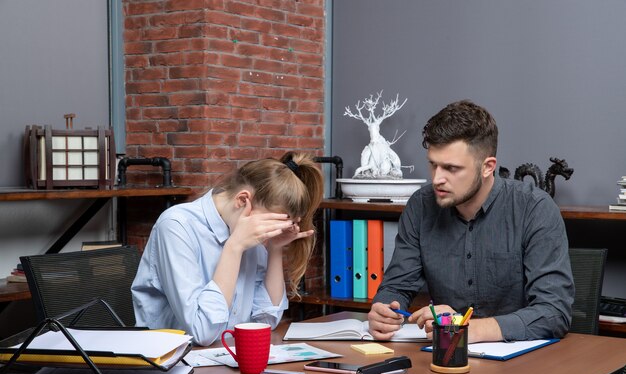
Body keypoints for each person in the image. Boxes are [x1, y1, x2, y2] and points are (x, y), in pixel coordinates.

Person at [368, 100, 574, 343]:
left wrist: (464, 327)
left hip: (522, 363)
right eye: (433, 165)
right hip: (445, 357)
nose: (437, 179)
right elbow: (397, 286)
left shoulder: (534, 208)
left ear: (487, 167)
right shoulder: (421, 206)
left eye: (451, 168)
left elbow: (553, 313)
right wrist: (383, 310)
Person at [131, 152, 324, 346]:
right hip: (173, 363)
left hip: (224, 357)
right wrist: (234, 247)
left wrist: (275, 248)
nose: (267, 233)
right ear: (242, 200)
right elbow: (202, 332)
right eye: (268, 225)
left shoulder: (248, 229)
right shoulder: (176, 226)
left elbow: (267, 320)